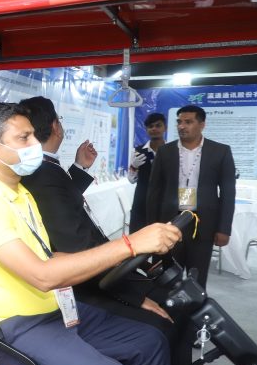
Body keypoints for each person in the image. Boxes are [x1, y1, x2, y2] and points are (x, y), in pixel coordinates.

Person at [0, 102, 181, 365]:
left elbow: (52, 259)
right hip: (11, 329)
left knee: (150, 342)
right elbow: (43, 275)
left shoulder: (19, 194)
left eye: (33, 136)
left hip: (52, 312)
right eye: (24, 137)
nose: (34, 144)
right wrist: (131, 244)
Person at [20, 97, 173, 339]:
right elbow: (78, 247)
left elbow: (61, 202)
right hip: (87, 281)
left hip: (96, 269)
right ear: (55, 127)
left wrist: (80, 168)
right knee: (165, 315)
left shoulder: (45, 169)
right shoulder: (41, 173)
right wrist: (132, 293)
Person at [147, 105, 236, 288]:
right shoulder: (165, 151)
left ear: (202, 124)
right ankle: (166, 314)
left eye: (188, 122)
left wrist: (224, 228)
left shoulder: (220, 151)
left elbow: (228, 193)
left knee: (197, 279)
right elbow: (154, 191)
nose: (182, 126)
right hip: (170, 223)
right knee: (168, 277)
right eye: (179, 122)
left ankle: (193, 312)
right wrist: (151, 225)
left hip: (203, 224)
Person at [128, 113, 166, 232]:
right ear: (146, 129)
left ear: (165, 127)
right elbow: (131, 180)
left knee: (163, 238)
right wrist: (134, 167)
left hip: (164, 200)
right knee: (139, 236)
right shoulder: (138, 151)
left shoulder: (172, 150)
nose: (154, 129)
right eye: (150, 126)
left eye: (158, 125)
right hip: (142, 200)